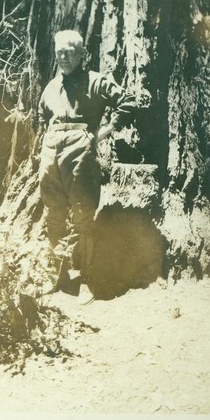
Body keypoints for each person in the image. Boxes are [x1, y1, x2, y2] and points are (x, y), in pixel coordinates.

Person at [36, 30, 136, 302]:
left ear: (82, 54)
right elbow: (42, 116)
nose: (63, 56)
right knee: (53, 214)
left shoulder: (95, 82)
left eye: (70, 51)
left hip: (80, 150)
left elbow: (127, 102)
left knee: (83, 215)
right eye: (59, 51)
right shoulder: (50, 88)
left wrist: (99, 134)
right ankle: (56, 276)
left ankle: (88, 279)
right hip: (51, 150)